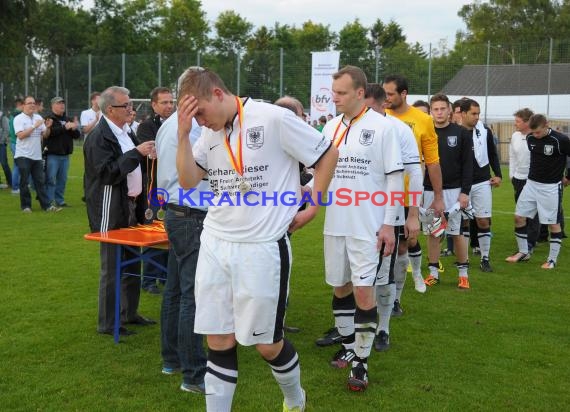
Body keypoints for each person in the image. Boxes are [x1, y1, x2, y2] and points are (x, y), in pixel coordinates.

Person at [175, 66, 338, 412]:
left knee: (267, 344)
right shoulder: (208, 133)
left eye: (200, 112)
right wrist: (182, 133)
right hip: (215, 243)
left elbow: (327, 155)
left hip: (262, 248)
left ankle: (295, 400)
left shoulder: (273, 118)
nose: (201, 121)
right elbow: (188, 181)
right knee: (217, 338)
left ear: (218, 94)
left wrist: (314, 205)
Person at [322, 66, 403, 391]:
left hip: (368, 226)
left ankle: (361, 363)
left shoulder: (383, 128)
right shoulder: (329, 127)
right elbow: (320, 172)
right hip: (335, 223)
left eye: (341, 93)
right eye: (333, 92)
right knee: (340, 286)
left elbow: (396, 178)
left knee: (363, 291)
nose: (334, 98)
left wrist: (388, 224)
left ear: (359, 93)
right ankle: (347, 343)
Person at [84, 86, 157, 337]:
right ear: (109, 109)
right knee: (113, 265)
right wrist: (136, 153)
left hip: (132, 205)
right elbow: (107, 173)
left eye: (130, 105)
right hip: (110, 205)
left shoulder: (127, 131)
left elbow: (135, 164)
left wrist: (147, 155)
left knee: (131, 261)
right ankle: (107, 322)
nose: (130, 109)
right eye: (125, 105)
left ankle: (129, 313)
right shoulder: (98, 137)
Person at [363, 83, 422, 352]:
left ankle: (383, 326)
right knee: (356, 274)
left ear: (381, 104)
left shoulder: (399, 130)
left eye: (368, 106)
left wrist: (413, 214)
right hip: (356, 212)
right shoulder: (348, 126)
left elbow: (415, 172)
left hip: (389, 211)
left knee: (385, 269)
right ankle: (350, 327)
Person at [156, 107, 208, 393]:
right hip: (193, 214)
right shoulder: (194, 128)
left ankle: (172, 359)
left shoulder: (168, 124)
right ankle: (193, 374)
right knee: (192, 294)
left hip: (177, 213)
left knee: (175, 290)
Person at [383, 74, 443, 316]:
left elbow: (433, 162)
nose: (385, 98)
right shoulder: (378, 116)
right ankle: (382, 298)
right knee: (385, 248)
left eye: (390, 94)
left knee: (404, 245)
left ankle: (397, 297)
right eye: (383, 93)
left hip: (409, 196)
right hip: (381, 196)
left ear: (404, 93)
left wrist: (438, 196)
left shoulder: (423, 121)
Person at [506, 114, 570, 269]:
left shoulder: (560, 140)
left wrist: (568, 176)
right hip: (531, 185)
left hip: (550, 188)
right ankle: (524, 252)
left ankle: (552, 260)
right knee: (519, 217)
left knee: (553, 224)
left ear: (547, 124)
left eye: (539, 132)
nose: (536, 135)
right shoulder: (530, 139)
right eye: (533, 132)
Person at [423, 94, 473, 289]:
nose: (439, 112)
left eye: (443, 108)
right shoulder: (425, 132)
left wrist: (465, 192)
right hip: (429, 190)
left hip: (454, 190)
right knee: (433, 233)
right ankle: (433, 273)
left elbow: (468, 165)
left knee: (456, 232)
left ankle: (463, 274)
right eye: (435, 109)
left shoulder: (461, 133)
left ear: (450, 110)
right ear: (430, 111)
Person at [137, 87, 175, 295]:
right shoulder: (146, 126)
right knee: (154, 233)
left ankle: (166, 276)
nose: (169, 106)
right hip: (154, 188)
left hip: (176, 188)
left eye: (171, 102)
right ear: (154, 105)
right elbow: (153, 153)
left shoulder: (179, 124)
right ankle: (149, 279)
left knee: (171, 234)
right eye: (164, 102)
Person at [460, 98, 502, 272]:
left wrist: (498, 174)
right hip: (461, 185)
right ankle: (464, 258)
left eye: (478, 113)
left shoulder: (484, 130)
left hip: (482, 181)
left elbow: (492, 154)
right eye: (473, 113)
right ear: (463, 114)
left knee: (483, 221)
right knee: (463, 222)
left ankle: (485, 258)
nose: (477, 117)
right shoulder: (455, 132)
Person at [13, 96, 56, 212]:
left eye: (34, 103)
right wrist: (34, 126)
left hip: (37, 156)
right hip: (23, 155)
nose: (32, 105)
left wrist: (47, 127)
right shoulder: (19, 119)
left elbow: (45, 135)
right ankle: (26, 206)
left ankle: (46, 206)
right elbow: (21, 136)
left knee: (40, 182)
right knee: (24, 182)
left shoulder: (38, 117)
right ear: (23, 105)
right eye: (29, 103)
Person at [508, 108, 539, 257]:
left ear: (527, 122)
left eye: (518, 122)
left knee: (532, 214)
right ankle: (525, 240)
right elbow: (512, 156)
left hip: (534, 180)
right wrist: (512, 175)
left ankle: (530, 243)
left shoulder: (536, 136)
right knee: (521, 212)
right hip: (518, 179)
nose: (515, 124)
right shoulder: (515, 136)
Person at [44, 97, 80, 207]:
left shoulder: (67, 118)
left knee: (62, 180)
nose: (62, 105)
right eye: (59, 103)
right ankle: (49, 201)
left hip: (65, 155)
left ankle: (60, 200)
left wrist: (74, 129)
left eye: (63, 103)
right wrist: (65, 127)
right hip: (52, 155)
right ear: (52, 106)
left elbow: (76, 136)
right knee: (50, 179)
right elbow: (50, 134)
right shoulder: (49, 118)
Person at [8, 98, 24, 195]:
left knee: (17, 165)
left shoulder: (12, 115)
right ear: (20, 105)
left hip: (13, 142)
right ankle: (15, 188)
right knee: (17, 166)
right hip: (16, 143)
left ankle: (16, 186)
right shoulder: (17, 115)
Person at [0, 111, 12, 189]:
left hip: (1, 145)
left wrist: (1, 141)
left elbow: (7, 130)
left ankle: (10, 182)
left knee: (4, 164)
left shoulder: (2, 117)